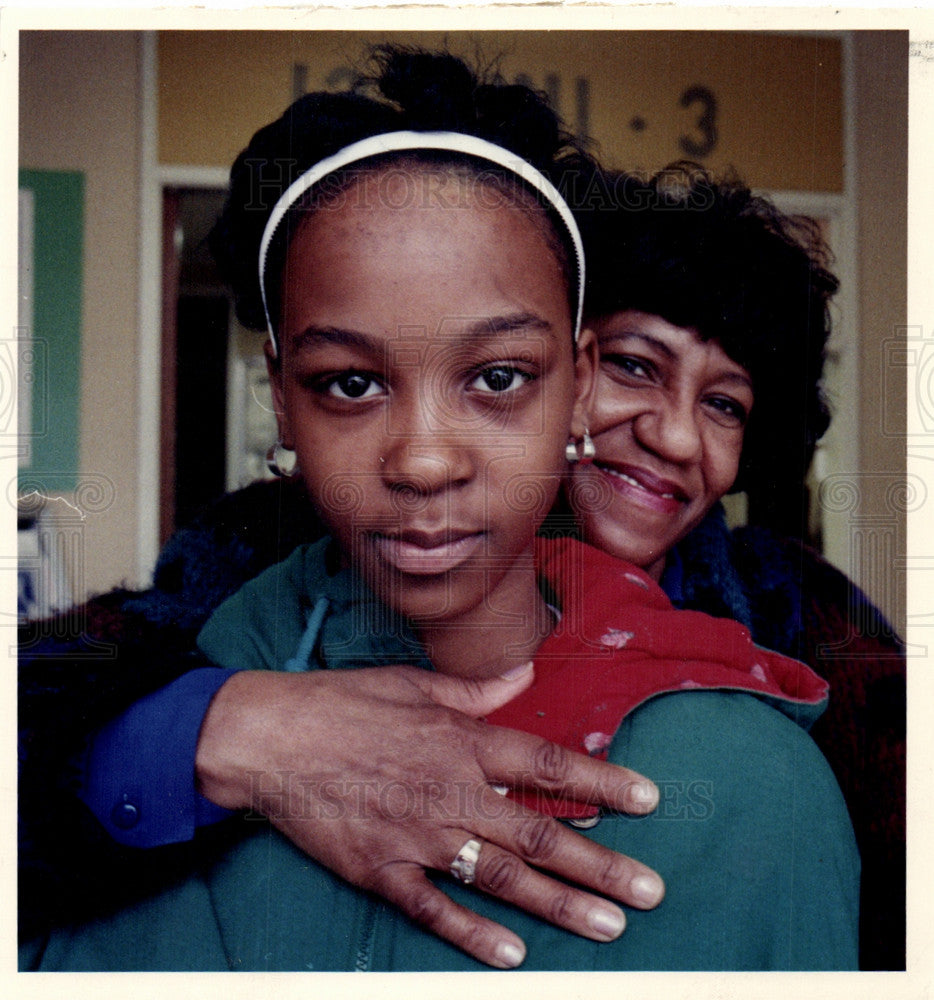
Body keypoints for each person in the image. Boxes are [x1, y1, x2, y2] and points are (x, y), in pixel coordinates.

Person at [20, 48, 858, 972]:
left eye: (498, 378)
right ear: (282, 399)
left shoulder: (781, 717)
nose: (424, 461)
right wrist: (220, 728)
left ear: (566, 387)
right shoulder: (203, 625)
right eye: (348, 382)